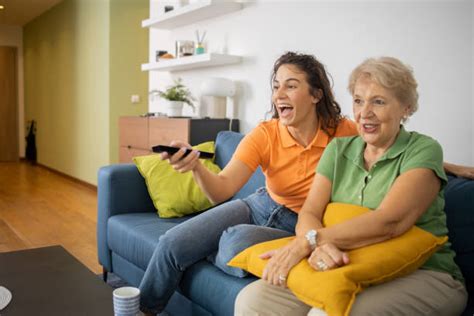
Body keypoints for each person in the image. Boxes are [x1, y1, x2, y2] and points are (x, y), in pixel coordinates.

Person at [235, 57, 468, 316]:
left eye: (378, 101)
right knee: (253, 300)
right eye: (358, 100)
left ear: (406, 108)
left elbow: (391, 222)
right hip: (347, 262)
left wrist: (309, 242)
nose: (364, 113)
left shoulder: (423, 150)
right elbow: (310, 212)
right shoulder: (338, 149)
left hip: (425, 273)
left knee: (328, 313)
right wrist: (321, 247)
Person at [138, 52, 359, 314]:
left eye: (291, 85)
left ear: (316, 95)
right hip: (260, 204)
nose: (279, 95)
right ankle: (142, 310)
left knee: (235, 241)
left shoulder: (345, 133)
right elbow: (221, 190)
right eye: (276, 86)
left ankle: (213, 250)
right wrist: (196, 165)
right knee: (171, 243)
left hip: (301, 225)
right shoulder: (265, 134)